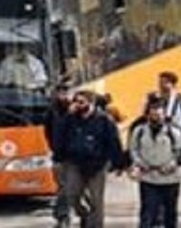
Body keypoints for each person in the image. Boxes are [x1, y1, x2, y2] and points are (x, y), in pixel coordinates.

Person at [51, 89, 125, 228]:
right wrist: (58, 158)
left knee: (97, 200)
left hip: (97, 165)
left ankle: (95, 224)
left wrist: (119, 164)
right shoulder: (69, 119)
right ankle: (84, 214)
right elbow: (59, 137)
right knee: (72, 194)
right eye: (76, 102)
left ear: (91, 103)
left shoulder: (104, 120)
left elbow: (114, 142)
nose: (77, 105)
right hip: (74, 163)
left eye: (81, 102)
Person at [129, 98, 181, 228]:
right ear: (148, 115)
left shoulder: (174, 132)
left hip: (170, 179)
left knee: (170, 214)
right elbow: (133, 149)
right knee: (147, 213)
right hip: (148, 178)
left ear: (164, 115)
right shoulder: (139, 131)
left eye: (159, 115)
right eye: (153, 114)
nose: (156, 118)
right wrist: (139, 163)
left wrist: (171, 165)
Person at [43, 83, 74, 228]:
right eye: (60, 93)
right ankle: (63, 215)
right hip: (60, 155)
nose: (63, 96)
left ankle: (69, 214)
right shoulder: (52, 111)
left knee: (73, 188)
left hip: (75, 156)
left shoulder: (76, 110)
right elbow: (48, 131)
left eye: (65, 93)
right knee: (63, 187)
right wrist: (53, 147)